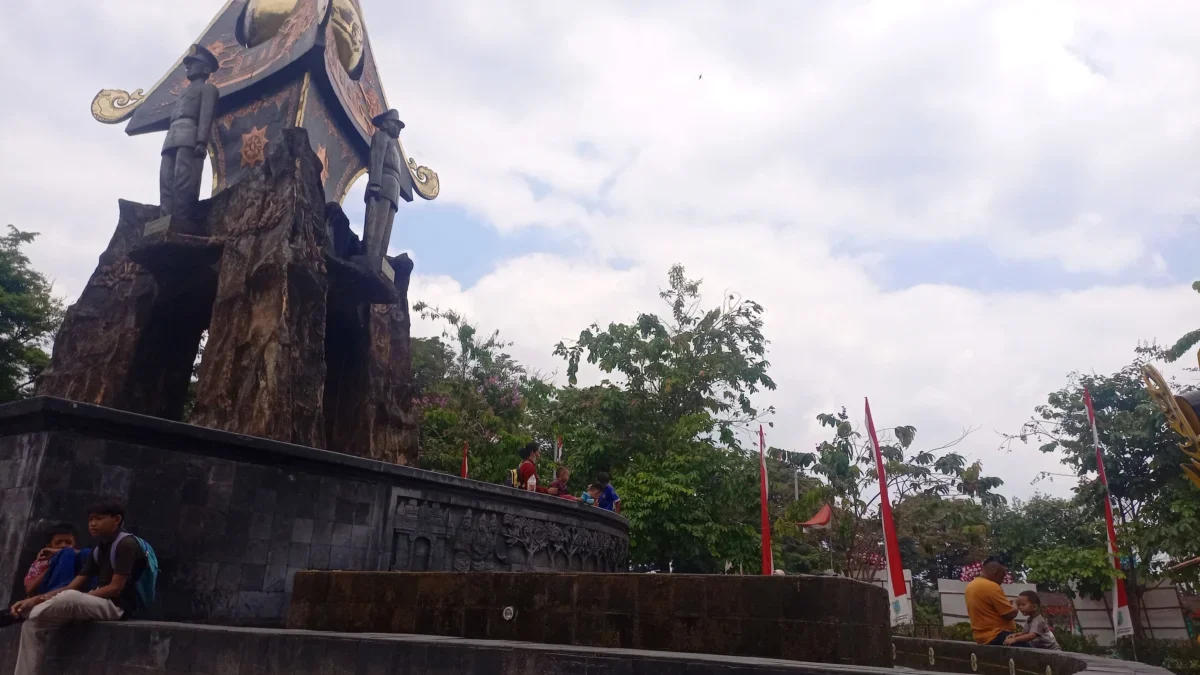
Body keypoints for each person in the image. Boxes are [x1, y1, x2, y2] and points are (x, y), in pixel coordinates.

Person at [11, 501, 151, 675]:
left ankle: (20, 613)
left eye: (98, 519)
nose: (92, 523)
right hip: (92, 601)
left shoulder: (127, 544)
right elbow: (72, 585)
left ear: (116, 519)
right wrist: (33, 599)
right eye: (90, 519)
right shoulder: (99, 550)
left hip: (115, 607)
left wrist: (84, 594)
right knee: (32, 625)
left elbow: (115, 588)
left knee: (69, 596)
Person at [0, 525, 86, 629]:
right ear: (50, 545)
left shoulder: (81, 559)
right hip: (43, 597)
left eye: (68, 542)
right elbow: (29, 588)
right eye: (58, 542)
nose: (63, 545)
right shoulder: (42, 562)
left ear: (74, 545)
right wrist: (50, 569)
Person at [964, 557, 1019, 646]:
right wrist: (1016, 604)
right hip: (997, 635)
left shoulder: (971, 586)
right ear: (995, 571)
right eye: (1002, 575)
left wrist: (1007, 605)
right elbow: (1009, 614)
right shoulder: (992, 586)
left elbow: (988, 610)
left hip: (981, 637)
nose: (1002, 579)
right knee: (1032, 649)